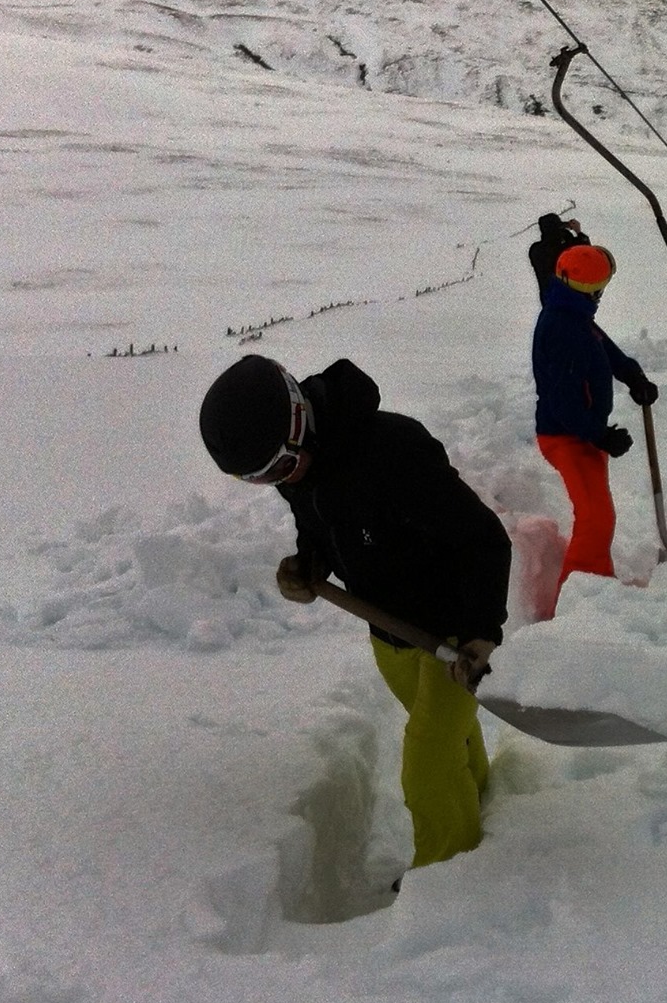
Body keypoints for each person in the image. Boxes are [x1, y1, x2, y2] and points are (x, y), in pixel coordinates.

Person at [199, 354, 508, 871]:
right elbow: (321, 526)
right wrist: (308, 564)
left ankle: (450, 876)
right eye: (259, 477)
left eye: (279, 465)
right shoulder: (297, 467)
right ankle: (482, 799)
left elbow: (484, 539)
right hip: (389, 632)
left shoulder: (394, 451)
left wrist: (481, 633)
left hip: (451, 630)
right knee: (444, 736)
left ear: (301, 419)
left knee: (426, 765)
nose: (280, 479)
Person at [532, 244, 657, 608]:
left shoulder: (573, 314)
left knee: (598, 514)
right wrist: (597, 433)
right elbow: (562, 399)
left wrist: (633, 376)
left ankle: (598, 588)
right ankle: (578, 604)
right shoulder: (560, 327)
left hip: (582, 435)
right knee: (595, 517)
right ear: (592, 290)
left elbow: (604, 351)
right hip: (566, 437)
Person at [527, 212, 589, 297]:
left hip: (548, 297)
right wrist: (578, 232)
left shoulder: (536, 249)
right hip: (572, 295)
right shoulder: (564, 246)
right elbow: (586, 254)